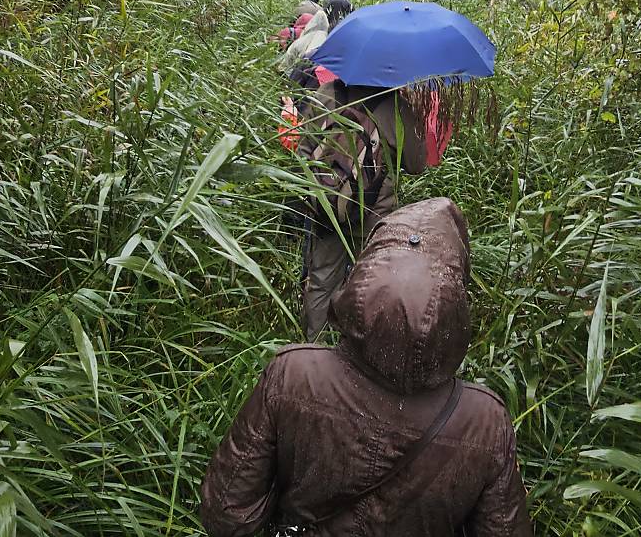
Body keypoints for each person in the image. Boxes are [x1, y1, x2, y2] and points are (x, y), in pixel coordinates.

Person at [200, 198, 533, 537]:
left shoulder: (293, 376)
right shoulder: (485, 422)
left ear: (361, 277)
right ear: (456, 301)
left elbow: (227, 513)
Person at [295, 80, 426, 340]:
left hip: (326, 207)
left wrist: (319, 188)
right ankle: (356, 352)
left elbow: (304, 148)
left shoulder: (328, 92)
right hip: (374, 215)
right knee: (368, 282)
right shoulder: (396, 107)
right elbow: (415, 163)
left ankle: (315, 348)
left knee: (321, 281)